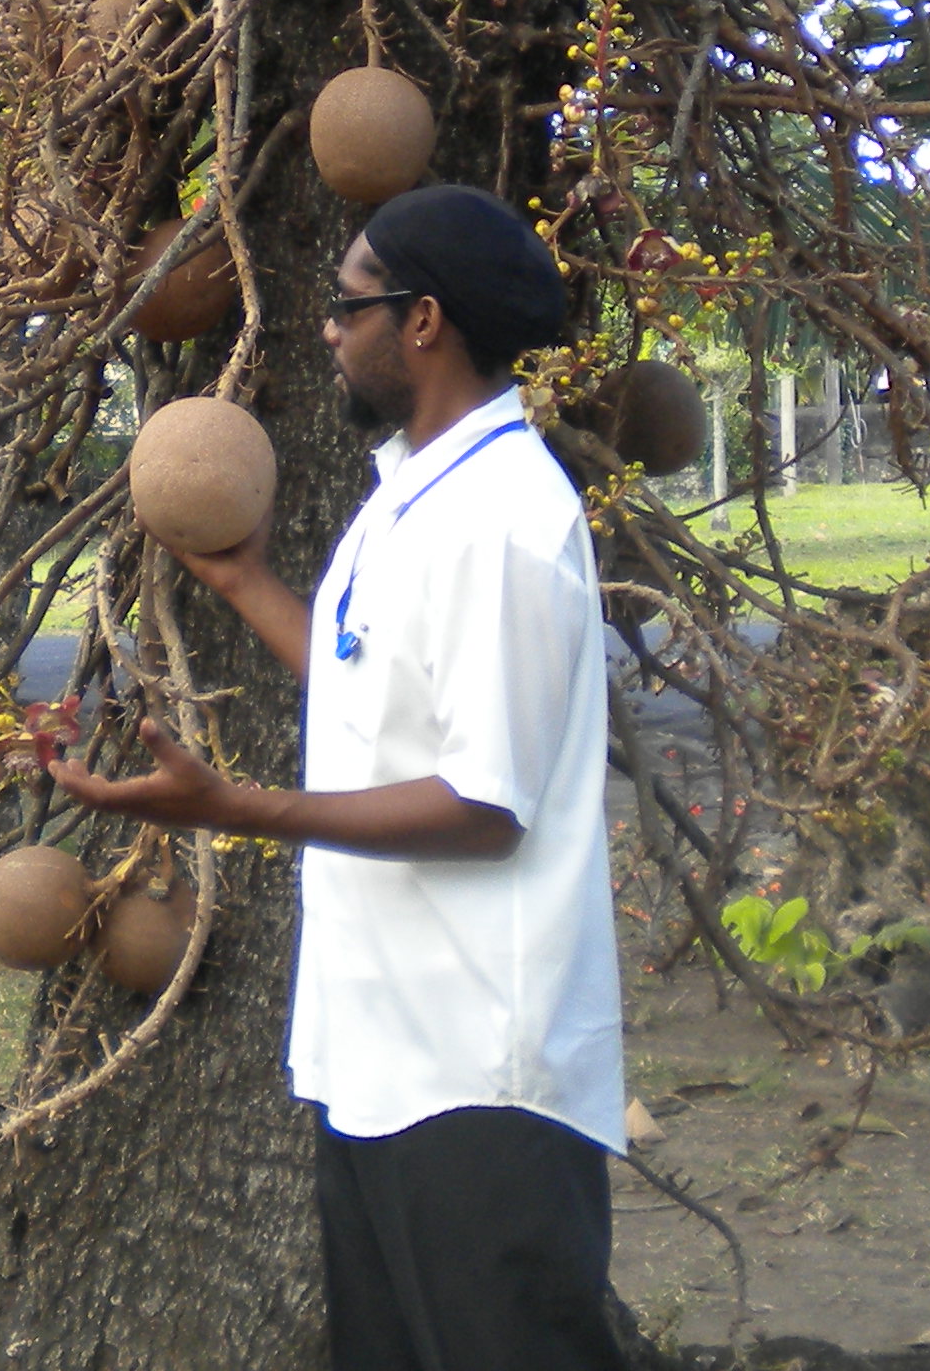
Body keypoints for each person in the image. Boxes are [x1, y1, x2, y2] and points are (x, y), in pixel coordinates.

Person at [52, 182, 632, 1371]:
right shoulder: (411, 492)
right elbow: (380, 692)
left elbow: (483, 806)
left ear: (423, 321)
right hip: (379, 1056)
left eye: (347, 303)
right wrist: (246, 585)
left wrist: (234, 808)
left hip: (482, 1075)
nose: (326, 326)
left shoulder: (503, 521)